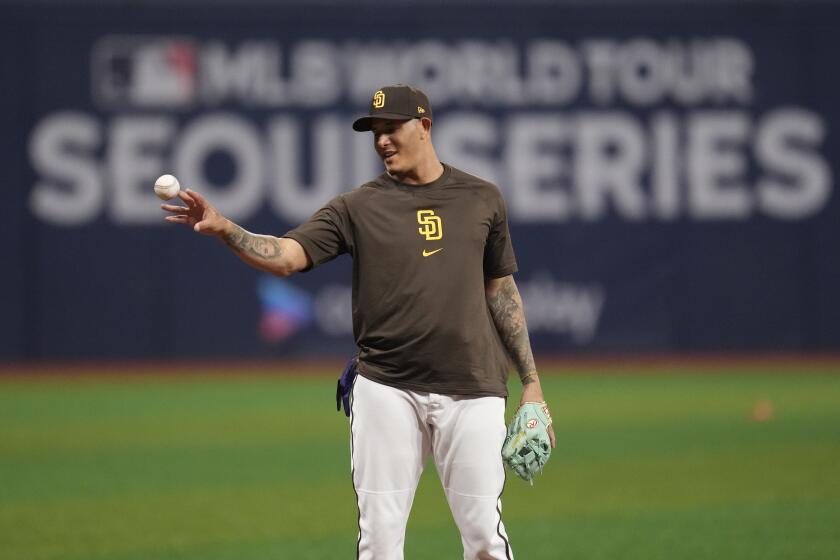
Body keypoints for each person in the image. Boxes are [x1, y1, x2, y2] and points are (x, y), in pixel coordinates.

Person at [162, 84, 555, 560]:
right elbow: (288, 255)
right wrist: (228, 229)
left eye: (391, 128)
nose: (382, 140)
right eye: (375, 132)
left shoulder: (482, 197)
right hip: (387, 389)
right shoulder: (356, 207)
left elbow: (501, 290)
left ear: (424, 126)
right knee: (379, 543)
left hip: (473, 389)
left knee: (485, 539)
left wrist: (531, 382)